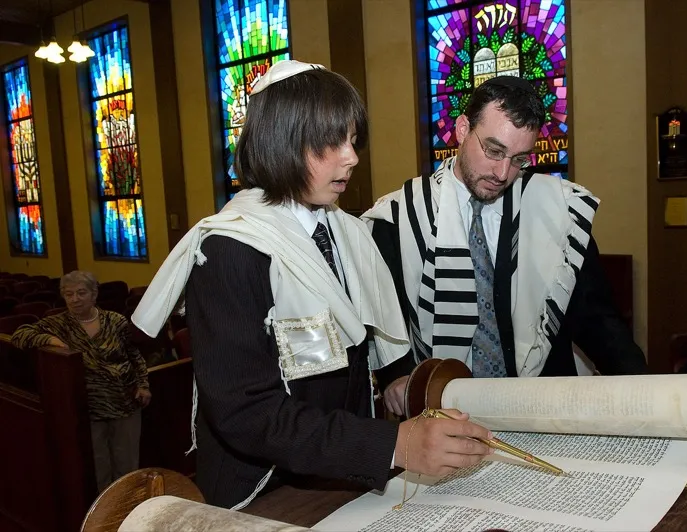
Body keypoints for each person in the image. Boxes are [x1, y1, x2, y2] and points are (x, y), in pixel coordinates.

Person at [131, 60, 492, 510]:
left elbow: (370, 341)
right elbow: (248, 414)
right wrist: (394, 446)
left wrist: (398, 378)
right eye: (330, 142)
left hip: (344, 473)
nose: (352, 158)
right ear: (280, 140)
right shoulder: (230, 249)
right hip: (265, 486)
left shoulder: (349, 233)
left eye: (353, 141)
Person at [365, 75, 648, 415]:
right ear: (461, 129)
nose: (502, 173)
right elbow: (383, 320)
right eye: (494, 150)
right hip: (445, 412)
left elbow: (599, 322)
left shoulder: (558, 212)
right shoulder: (398, 220)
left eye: (519, 159)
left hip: (543, 408)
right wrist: (395, 375)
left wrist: (647, 394)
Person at [12, 270, 151, 491]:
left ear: (94, 294)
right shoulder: (57, 324)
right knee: (98, 468)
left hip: (125, 402)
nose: (75, 299)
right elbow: (19, 336)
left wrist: (143, 384)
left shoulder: (115, 321)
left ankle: (127, 508)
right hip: (88, 408)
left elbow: (135, 356)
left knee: (127, 464)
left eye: (81, 293)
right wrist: (49, 339)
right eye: (69, 294)